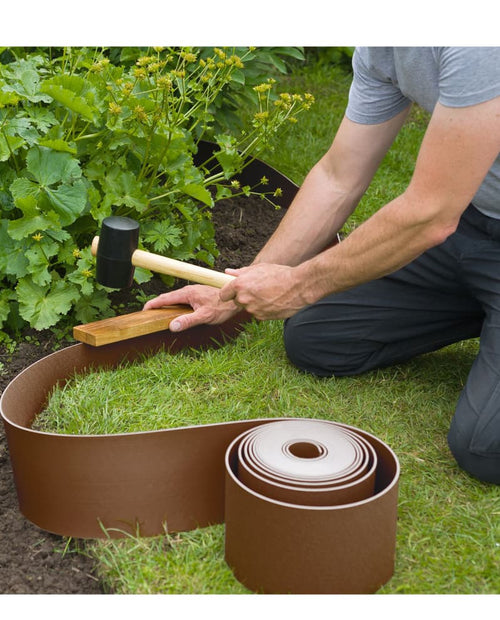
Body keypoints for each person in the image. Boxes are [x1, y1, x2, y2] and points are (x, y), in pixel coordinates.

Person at [144, 47, 500, 484]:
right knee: (319, 339)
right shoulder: (384, 46)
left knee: (484, 447)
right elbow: (338, 175)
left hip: (450, 218)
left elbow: (430, 213)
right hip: (473, 222)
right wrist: (235, 288)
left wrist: (300, 285)